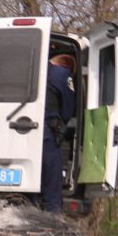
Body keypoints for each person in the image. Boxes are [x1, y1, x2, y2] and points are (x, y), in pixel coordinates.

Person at [40, 53, 77, 214]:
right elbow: (68, 109)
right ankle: (51, 218)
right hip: (47, 131)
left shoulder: (30, 70)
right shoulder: (62, 74)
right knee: (51, 177)